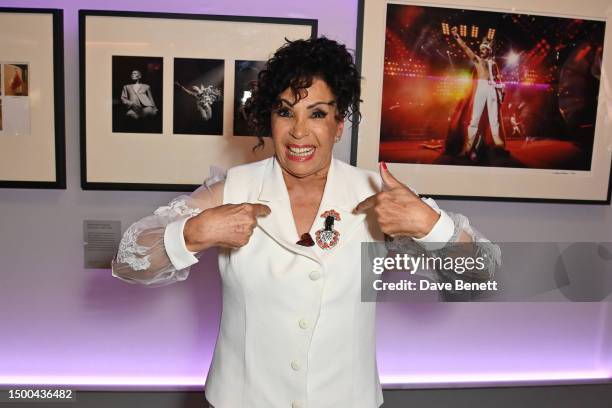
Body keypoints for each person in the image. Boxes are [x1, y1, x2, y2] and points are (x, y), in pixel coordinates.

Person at [111, 37, 500, 408]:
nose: (299, 131)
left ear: (339, 123)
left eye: (317, 113)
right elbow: (127, 261)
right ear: (270, 118)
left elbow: (481, 278)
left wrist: (431, 225)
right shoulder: (233, 188)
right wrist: (194, 233)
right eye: (285, 112)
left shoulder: (379, 194)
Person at [451, 27, 506, 158]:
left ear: (489, 50)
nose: (481, 51)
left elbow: (498, 78)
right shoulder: (477, 60)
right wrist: (456, 36)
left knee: (494, 119)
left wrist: (501, 92)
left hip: (493, 88)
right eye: (480, 49)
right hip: (481, 87)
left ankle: (498, 144)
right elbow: (466, 49)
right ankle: (467, 148)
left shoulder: (493, 63)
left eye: (483, 49)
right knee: (474, 119)